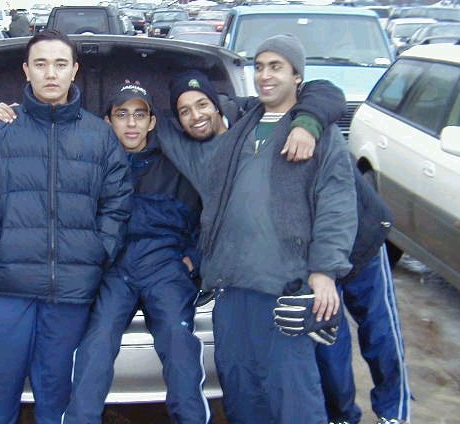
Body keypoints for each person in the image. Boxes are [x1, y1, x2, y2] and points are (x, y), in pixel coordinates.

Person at [158, 34, 358, 423]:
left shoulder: (319, 134)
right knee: (241, 393)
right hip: (232, 288)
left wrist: (324, 272)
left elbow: (336, 207)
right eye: (260, 66)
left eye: (276, 67)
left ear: (297, 76)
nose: (265, 75)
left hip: (283, 288)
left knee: (293, 398)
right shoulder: (240, 127)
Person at [0, 29, 133, 424]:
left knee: (58, 400)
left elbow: (117, 203)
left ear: (74, 71)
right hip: (6, 290)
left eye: (60, 64)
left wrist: (97, 251)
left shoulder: (99, 136)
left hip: (70, 294)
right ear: (26, 70)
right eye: (41, 64)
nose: (51, 73)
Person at [61, 82, 210, 424]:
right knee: (98, 341)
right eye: (122, 114)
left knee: (178, 340)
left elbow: (211, 218)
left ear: (152, 122)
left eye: (140, 115)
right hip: (116, 270)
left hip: (165, 268)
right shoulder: (94, 166)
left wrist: (194, 260)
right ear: (108, 121)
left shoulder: (178, 164)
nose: (131, 123)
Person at [318, 170, 411, 424]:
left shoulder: (317, 144)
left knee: (379, 328)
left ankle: (393, 411)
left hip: (360, 235)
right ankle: (341, 415)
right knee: (329, 341)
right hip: (312, 252)